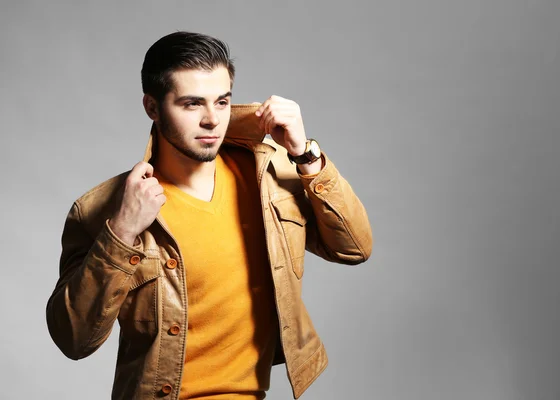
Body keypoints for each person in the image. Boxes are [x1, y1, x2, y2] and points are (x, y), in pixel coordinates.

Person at [46, 31, 372, 400]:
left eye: (221, 102)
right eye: (191, 104)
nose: (212, 120)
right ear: (152, 108)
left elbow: (354, 248)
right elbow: (73, 339)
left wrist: (305, 154)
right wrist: (121, 232)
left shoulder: (269, 175)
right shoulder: (104, 208)